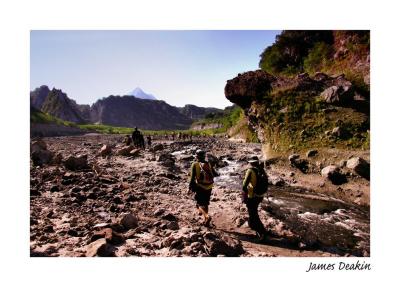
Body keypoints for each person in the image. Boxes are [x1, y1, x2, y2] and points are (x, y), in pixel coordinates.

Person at [188, 149, 219, 227]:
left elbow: (192, 178)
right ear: (204, 156)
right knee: (206, 203)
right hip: (209, 186)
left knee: (198, 204)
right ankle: (205, 221)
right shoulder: (208, 164)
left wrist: (190, 187)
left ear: (197, 156)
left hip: (200, 186)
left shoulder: (195, 164)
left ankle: (207, 216)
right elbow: (215, 174)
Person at [242, 155, 268, 241]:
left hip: (252, 196)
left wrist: (244, 195)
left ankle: (262, 232)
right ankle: (255, 228)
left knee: (253, 214)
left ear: (250, 163)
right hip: (260, 195)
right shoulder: (262, 169)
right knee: (253, 212)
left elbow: (244, 185)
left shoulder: (250, 171)